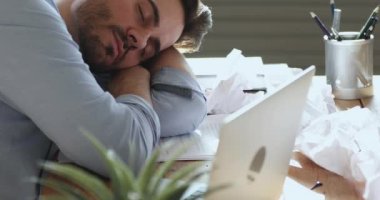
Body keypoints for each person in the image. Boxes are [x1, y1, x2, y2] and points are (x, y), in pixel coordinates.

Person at [0, 0, 212, 199]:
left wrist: (162, 49)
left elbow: (184, 106)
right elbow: (122, 153)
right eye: (142, 13)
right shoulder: (22, 11)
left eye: (149, 50)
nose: (140, 42)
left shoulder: (88, 63)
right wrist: (134, 80)